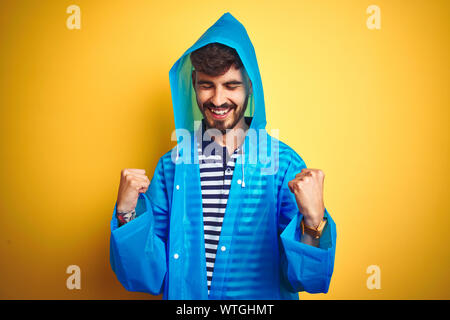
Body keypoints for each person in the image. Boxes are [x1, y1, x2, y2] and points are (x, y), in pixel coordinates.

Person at [109, 12, 337, 300]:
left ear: (250, 86)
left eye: (231, 85)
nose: (217, 100)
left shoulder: (283, 165)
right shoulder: (172, 167)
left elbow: (305, 279)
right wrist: (127, 213)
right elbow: (147, 276)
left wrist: (314, 220)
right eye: (207, 85)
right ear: (193, 84)